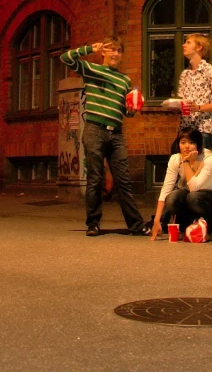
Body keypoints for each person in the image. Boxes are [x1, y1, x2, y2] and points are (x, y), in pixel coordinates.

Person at [60, 36, 150, 237]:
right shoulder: (92, 70)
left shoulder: (124, 80)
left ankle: (135, 225)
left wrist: (133, 109)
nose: (115, 54)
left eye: (119, 50)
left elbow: (125, 113)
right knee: (95, 178)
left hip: (115, 133)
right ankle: (93, 224)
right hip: (94, 130)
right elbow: (65, 58)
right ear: (103, 52)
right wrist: (89, 48)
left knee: (123, 180)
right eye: (111, 50)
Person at [150, 129, 212, 242]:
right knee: (172, 198)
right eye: (183, 142)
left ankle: (211, 227)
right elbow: (166, 188)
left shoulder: (209, 158)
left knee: (193, 197)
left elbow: (194, 188)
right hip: (191, 194)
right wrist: (157, 220)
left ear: (198, 144)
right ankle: (184, 226)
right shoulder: (175, 158)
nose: (187, 146)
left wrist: (187, 162)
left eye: (191, 142)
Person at [167, 33, 212, 150]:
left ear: (199, 47)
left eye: (188, 42)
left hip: (203, 129)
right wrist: (175, 107)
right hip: (185, 129)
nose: (184, 45)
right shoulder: (185, 74)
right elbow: (183, 104)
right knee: (176, 160)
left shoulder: (210, 71)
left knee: (198, 165)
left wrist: (198, 108)